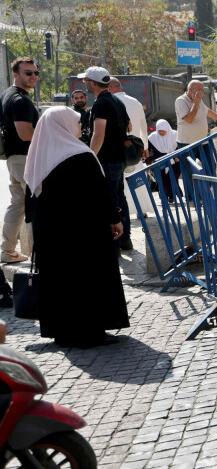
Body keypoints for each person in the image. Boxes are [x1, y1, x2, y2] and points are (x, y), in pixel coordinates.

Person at [24, 107, 128, 348]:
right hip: (85, 233)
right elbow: (101, 193)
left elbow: (31, 199)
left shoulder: (39, 156)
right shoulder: (80, 155)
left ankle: (63, 331)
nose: (81, 129)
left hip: (52, 237)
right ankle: (90, 331)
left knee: (60, 281)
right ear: (64, 125)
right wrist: (114, 218)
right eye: (78, 124)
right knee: (87, 279)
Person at [81, 66, 131, 255]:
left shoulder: (101, 103)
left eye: (86, 81)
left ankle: (115, 245)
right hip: (118, 158)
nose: (84, 84)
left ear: (93, 83)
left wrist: (91, 157)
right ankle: (125, 240)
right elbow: (128, 125)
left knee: (110, 200)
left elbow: (98, 133)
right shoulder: (116, 101)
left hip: (107, 160)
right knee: (119, 197)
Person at [0, 57, 38, 263]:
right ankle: (38, 253)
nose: (33, 77)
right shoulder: (20, 100)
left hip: (15, 158)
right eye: (28, 73)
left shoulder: (6, 95)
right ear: (16, 74)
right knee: (36, 205)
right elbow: (25, 133)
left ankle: (7, 250)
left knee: (18, 205)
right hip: (25, 158)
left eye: (36, 73)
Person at [108, 77, 153, 226]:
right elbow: (143, 125)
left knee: (120, 181)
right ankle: (142, 210)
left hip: (116, 147)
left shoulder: (109, 102)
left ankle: (121, 212)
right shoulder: (135, 102)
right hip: (135, 148)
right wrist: (145, 147)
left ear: (110, 88)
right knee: (138, 178)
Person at [175, 80, 217, 148]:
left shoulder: (198, 100)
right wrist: (196, 102)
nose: (201, 93)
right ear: (190, 89)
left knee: (209, 159)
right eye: (199, 90)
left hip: (203, 142)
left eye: (202, 91)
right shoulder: (181, 101)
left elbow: (207, 111)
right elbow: (189, 119)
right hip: (187, 144)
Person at [148, 120, 182, 200]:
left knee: (172, 178)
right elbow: (148, 150)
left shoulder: (175, 135)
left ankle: (171, 195)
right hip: (159, 163)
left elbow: (180, 146)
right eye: (159, 130)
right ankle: (166, 196)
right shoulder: (152, 137)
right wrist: (148, 160)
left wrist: (178, 157)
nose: (161, 132)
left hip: (174, 162)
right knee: (162, 180)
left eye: (163, 130)